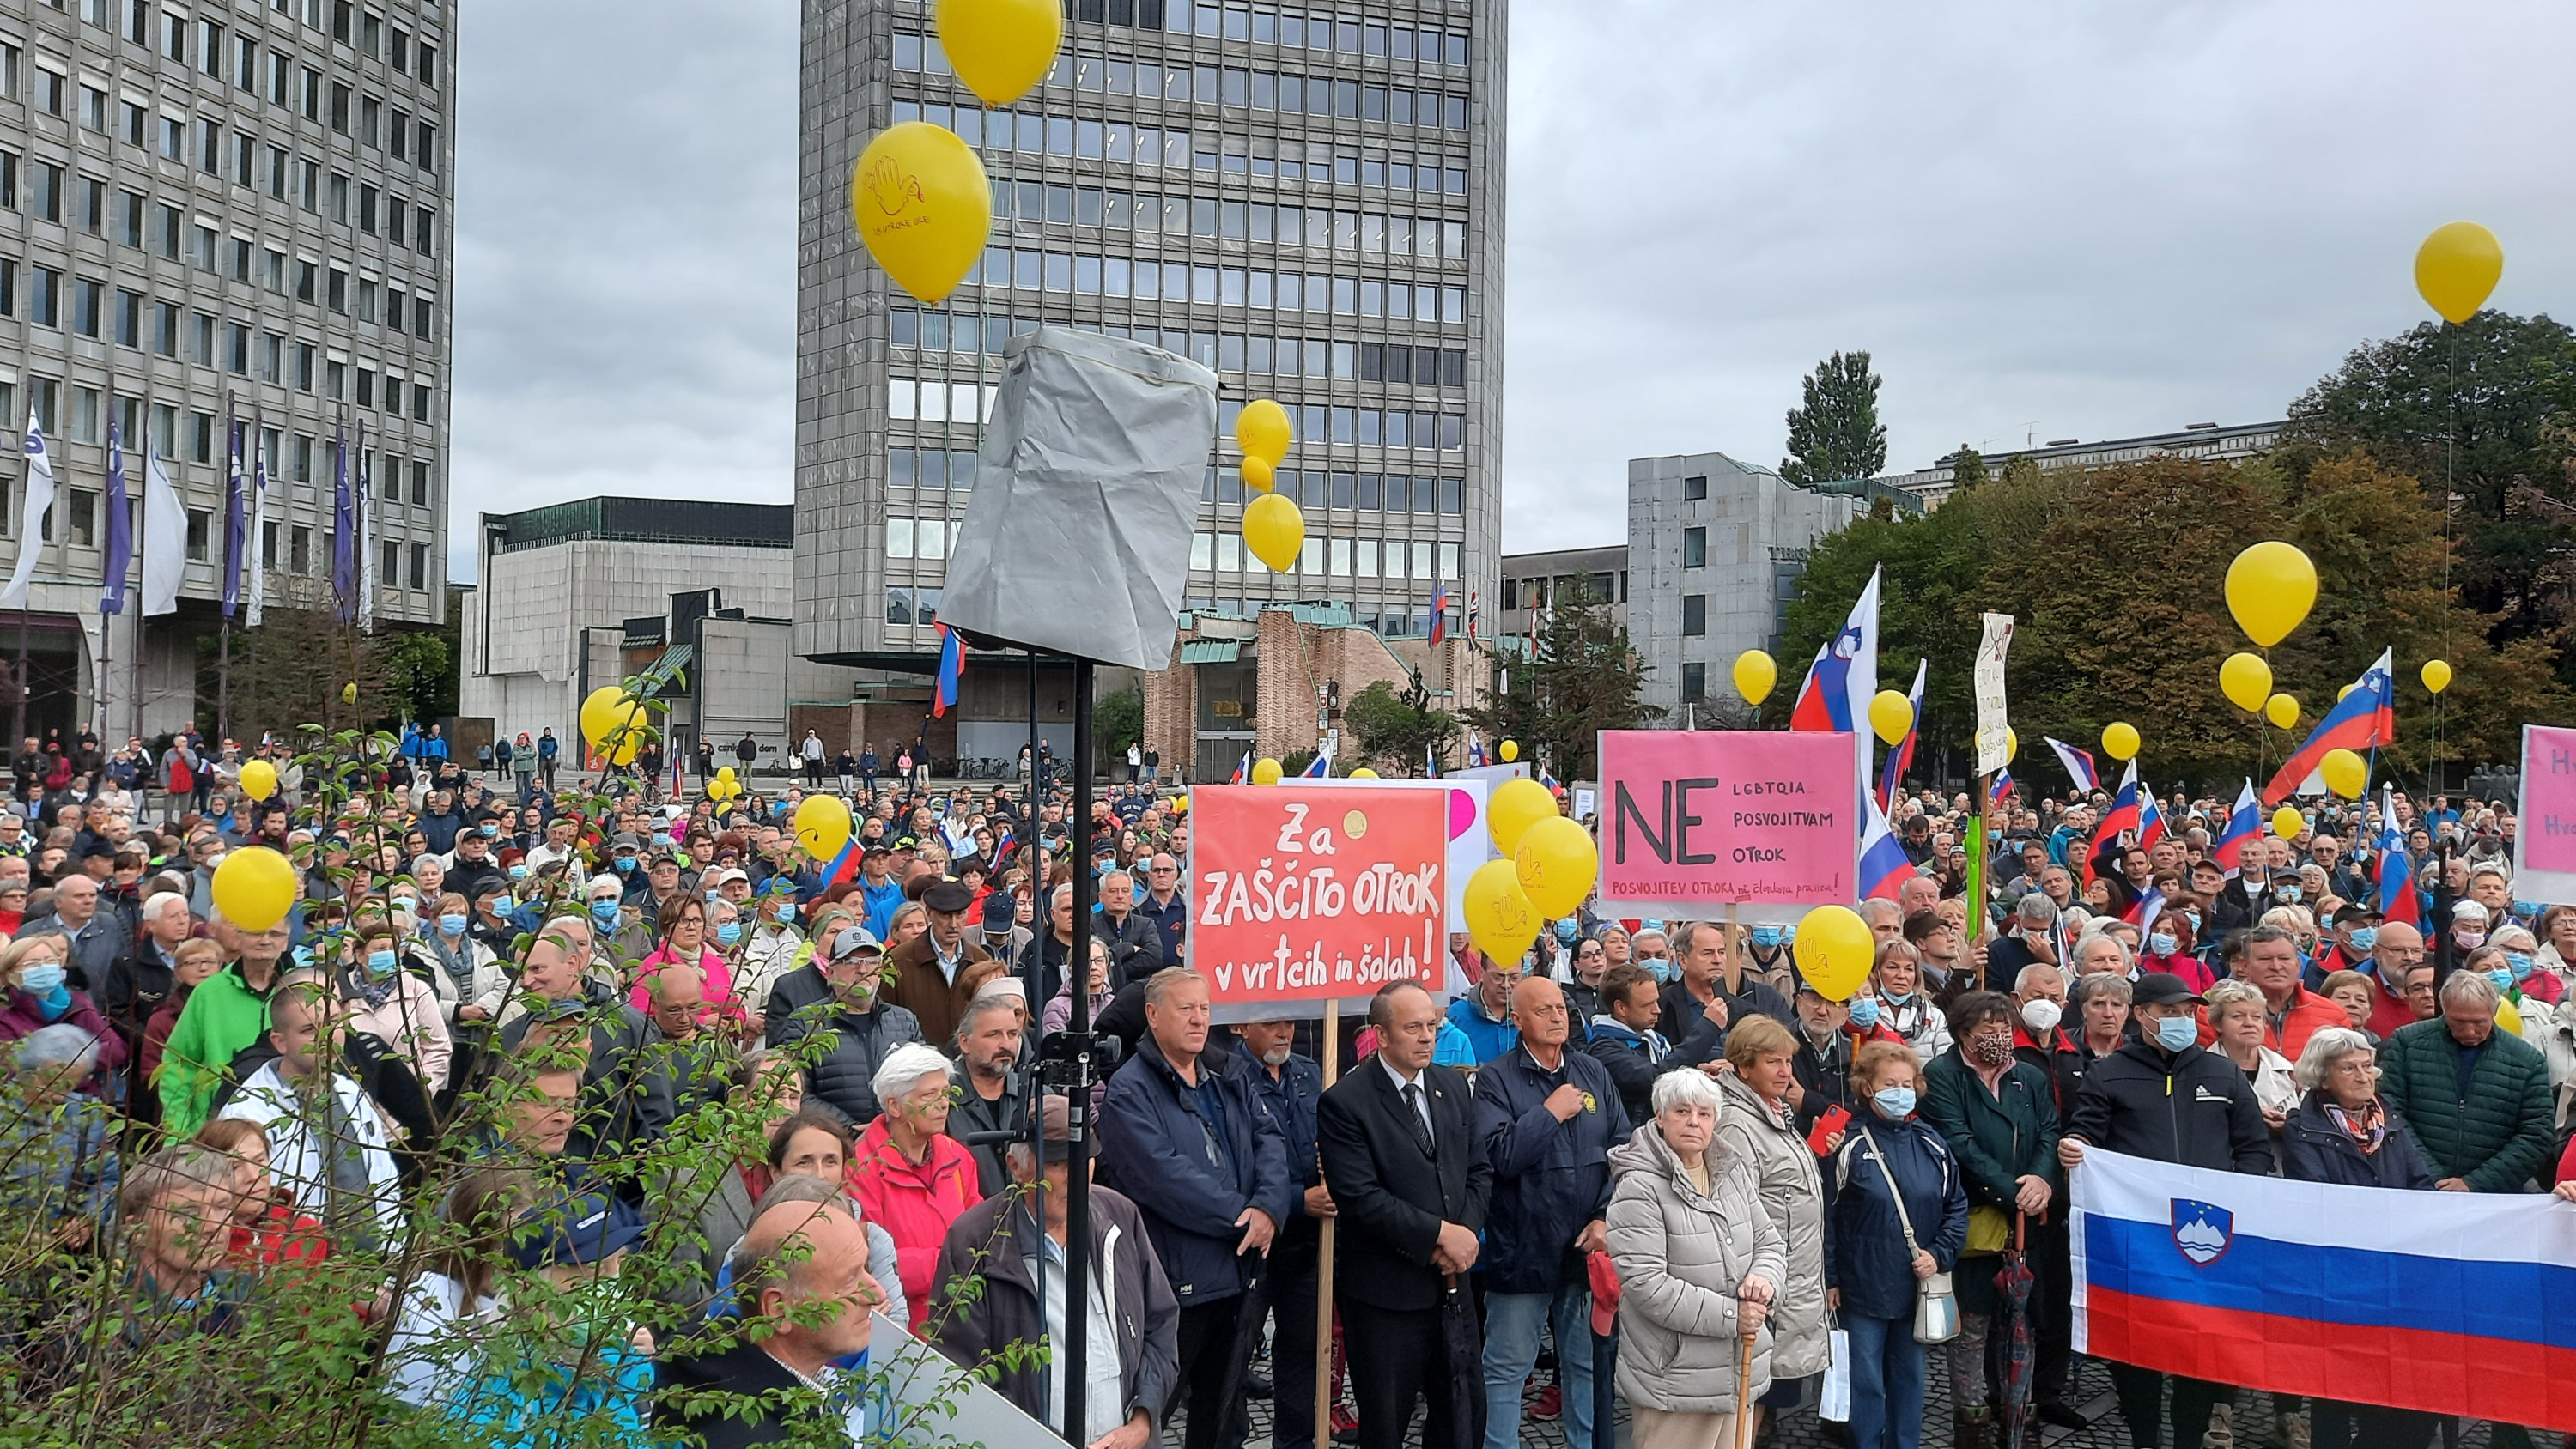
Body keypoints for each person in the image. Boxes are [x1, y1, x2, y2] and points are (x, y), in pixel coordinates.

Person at [2060, 973, 2270, 1449]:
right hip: (2138, 1237)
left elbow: (2253, 1147)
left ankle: (2189, 1438)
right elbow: (2086, 1132)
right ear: (2142, 1015)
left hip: (2209, 1236)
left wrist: (2244, 1196)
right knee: (2136, 1344)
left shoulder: (2222, 1073)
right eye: (2170, 1012)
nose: (2181, 1021)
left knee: (2200, 1344)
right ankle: (2144, 1436)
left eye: (2186, 1012)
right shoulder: (2109, 1072)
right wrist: (2075, 1147)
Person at [1097, 967, 1291, 1449]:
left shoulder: (1228, 1071)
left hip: (1240, 1274)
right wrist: (1246, 1219)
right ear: (1153, 1015)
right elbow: (1165, 1179)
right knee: (1153, 1409)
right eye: (1185, 1009)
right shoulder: (1129, 1090)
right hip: (1176, 1284)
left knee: (1223, 1416)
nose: (1198, 1019)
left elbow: (1271, 1139)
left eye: (1204, 1008)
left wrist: (1269, 1206)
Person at [933, 1092, 1178, 1449]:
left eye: (1085, 1160)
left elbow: (1161, 1323)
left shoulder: (1120, 1217)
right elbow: (962, 1369)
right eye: (1060, 1164)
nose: (1076, 1178)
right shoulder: (975, 1241)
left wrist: (1143, 1419)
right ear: (1015, 1167)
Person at [1315, 979, 1494, 1449]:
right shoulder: (1345, 1102)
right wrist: (1438, 1236)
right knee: (1387, 1421)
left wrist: (1465, 1234)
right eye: (1412, 1027)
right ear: (1380, 1034)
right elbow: (1360, 1197)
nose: (1426, 1037)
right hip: (1387, 1295)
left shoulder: (1452, 1087)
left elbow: (1478, 1169)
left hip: (1455, 1286)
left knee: (1462, 1414)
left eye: (1431, 1025)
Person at [1473, 975, 1630, 1449]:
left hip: (1585, 1252)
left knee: (1585, 1364)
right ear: (1517, 1020)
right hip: (1522, 1251)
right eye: (1543, 1010)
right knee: (1506, 1369)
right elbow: (1498, 1157)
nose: (1558, 1015)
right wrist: (1550, 1113)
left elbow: (1623, 1150)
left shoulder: (1592, 1072)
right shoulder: (1496, 1078)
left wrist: (1604, 1217)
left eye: (1561, 1006)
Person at [2275, 1027, 2442, 1449]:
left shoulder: (2389, 1120)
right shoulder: (2304, 1128)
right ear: (2323, 1076)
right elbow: (2318, 1195)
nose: (2364, 1076)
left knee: (2389, 1374)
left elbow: (2419, 1182)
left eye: (2368, 1066)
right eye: (2349, 1068)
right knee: (2336, 1379)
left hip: (2395, 1265)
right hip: (2340, 1270)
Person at [1606, 1065, 1787, 1449]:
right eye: (1682, 1111)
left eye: (1704, 1114)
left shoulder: (1730, 1172)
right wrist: (1731, 1316)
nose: (1694, 1122)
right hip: (1677, 1378)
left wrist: (1764, 1281)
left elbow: (1769, 1242)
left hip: (1738, 1368)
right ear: (1660, 1116)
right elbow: (1647, 1286)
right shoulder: (1639, 1186)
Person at [1919, 991, 2063, 1449]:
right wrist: (2014, 1193)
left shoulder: (2030, 1076)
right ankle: (1972, 1419)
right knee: (1973, 1320)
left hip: (2028, 1219)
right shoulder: (1942, 1076)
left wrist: (2042, 1181)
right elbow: (1958, 1142)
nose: (2000, 1036)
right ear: (1963, 1033)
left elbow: (2048, 1132)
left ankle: (2019, 1414)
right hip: (1974, 1218)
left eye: (2005, 1026)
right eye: (1988, 1028)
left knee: (2021, 1320)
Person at [657, 1184, 890, 1447]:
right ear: (779, 1310)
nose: (877, 1294)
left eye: (865, 1269)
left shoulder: (712, 1368)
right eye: (850, 1280)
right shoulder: (753, 1437)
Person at [1824, 1040, 1970, 1449]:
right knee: (1864, 1380)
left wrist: (1939, 1254)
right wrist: (1831, 1278)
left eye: (1907, 1082)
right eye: (1890, 1082)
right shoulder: (1846, 1144)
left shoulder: (1933, 1144)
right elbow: (1827, 1218)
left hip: (1916, 1287)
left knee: (1910, 1378)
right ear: (1866, 1086)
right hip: (1861, 1287)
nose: (1900, 1091)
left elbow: (1956, 1207)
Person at [215, 971, 403, 1253]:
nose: (326, 1038)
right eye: (309, 1030)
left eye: (332, 1025)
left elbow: (383, 1176)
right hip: (303, 1271)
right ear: (280, 1042)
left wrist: (395, 1247)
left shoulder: (350, 1092)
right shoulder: (249, 1113)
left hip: (378, 1260)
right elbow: (250, 1210)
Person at [1713, 1016, 1832, 1443]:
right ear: (1744, 1067)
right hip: (1761, 1283)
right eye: (1772, 1062)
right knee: (1747, 1397)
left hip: (1788, 1276)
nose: (1786, 1072)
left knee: (1763, 1394)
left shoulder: (1773, 1113)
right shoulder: (1736, 1125)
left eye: (1788, 1062)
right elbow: (1736, 1212)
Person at [846, 1040, 981, 1332]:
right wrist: (951, 1262)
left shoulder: (958, 1157)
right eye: (929, 1095)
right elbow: (873, 1265)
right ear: (894, 1105)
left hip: (965, 1323)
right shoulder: (860, 1168)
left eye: (945, 1093)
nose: (943, 1104)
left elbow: (983, 1239)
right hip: (899, 1331)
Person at [2376, 971, 2555, 1192]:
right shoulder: (2407, 1044)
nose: (2469, 1031)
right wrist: (2431, 1177)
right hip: (2416, 1187)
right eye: (2458, 1022)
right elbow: (2389, 1114)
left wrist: (2475, 1183)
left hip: (2495, 1195)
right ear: (2444, 1009)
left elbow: (2536, 1135)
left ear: (2495, 1011)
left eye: (2479, 1022)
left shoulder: (2527, 1060)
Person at [769, 926, 925, 1126]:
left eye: (871, 962)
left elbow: (924, 1081)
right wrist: (849, 1129)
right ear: (830, 972)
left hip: (898, 1136)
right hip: (834, 1142)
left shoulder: (904, 1021)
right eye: (851, 962)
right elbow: (794, 1091)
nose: (862, 970)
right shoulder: (804, 1024)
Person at [1586, 961, 1727, 1127]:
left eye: (1656, 1001)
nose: (1657, 1010)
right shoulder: (1604, 1050)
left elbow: (1666, 1067)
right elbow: (1657, 1078)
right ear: (1621, 1008)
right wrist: (1708, 1028)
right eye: (1647, 1005)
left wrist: (1694, 1072)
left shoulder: (1654, 1040)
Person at [882, 877, 987, 1052]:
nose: (953, 924)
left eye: (960, 914)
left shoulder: (981, 961)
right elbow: (885, 1022)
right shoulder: (898, 961)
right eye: (945, 915)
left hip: (971, 1067)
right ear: (929, 913)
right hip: (917, 1067)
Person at [945, 993, 1031, 1197]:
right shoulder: (940, 1100)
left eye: (1013, 1034)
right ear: (965, 1043)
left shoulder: (1034, 1095)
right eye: (994, 1034)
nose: (1006, 1044)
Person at [1659, 919, 1796, 1044]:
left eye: (1722, 952)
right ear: (1682, 960)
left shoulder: (1746, 1012)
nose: (1717, 960)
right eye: (1707, 953)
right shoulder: (1662, 1008)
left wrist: (1734, 1065)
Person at [2202, 979, 2299, 1149]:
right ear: (2217, 1024)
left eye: (2256, 1017)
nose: (2249, 1023)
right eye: (2237, 1016)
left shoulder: (2290, 1073)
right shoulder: (2200, 1070)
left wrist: (2289, 1125)